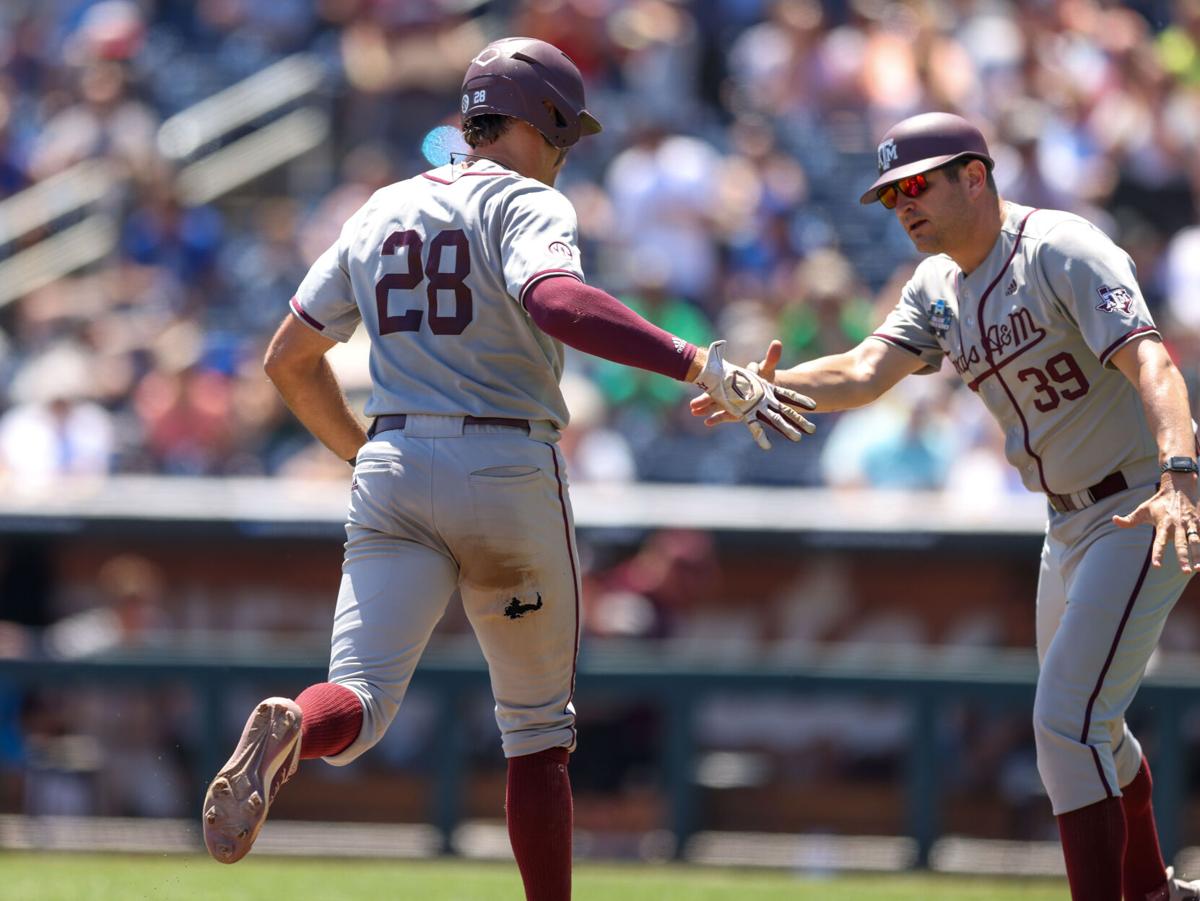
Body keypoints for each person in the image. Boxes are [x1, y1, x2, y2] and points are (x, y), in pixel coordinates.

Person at [199, 36, 814, 901]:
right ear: (550, 123)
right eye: (569, 132)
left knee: (359, 701)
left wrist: (359, 452)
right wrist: (695, 362)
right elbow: (555, 301)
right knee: (536, 734)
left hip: (393, 457)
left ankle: (295, 722)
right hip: (503, 459)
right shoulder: (527, 202)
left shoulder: (381, 207)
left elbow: (287, 359)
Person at [694, 112, 1200, 901]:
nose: (902, 206)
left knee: (1065, 724)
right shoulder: (936, 286)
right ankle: (1153, 890)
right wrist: (768, 385)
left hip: (1138, 501)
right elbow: (865, 372)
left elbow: (1153, 360)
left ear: (976, 175)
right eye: (890, 195)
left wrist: (1180, 472)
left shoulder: (1062, 247)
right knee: (1088, 724)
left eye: (916, 185)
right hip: (1064, 521)